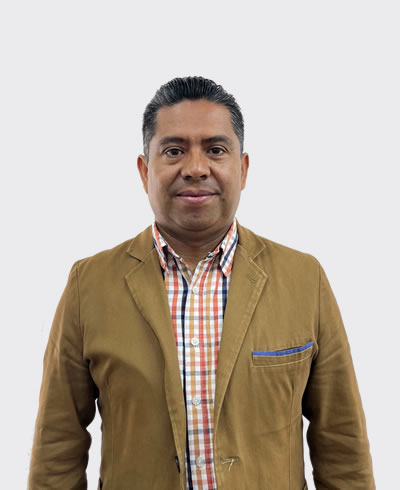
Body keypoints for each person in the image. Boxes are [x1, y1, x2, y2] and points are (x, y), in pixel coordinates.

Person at [28, 76, 375, 490]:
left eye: (215, 150)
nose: (195, 168)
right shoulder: (89, 285)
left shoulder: (304, 279)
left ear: (242, 169)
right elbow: (58, 445)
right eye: (174, 151)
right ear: (145, 170)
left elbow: (341, 442)